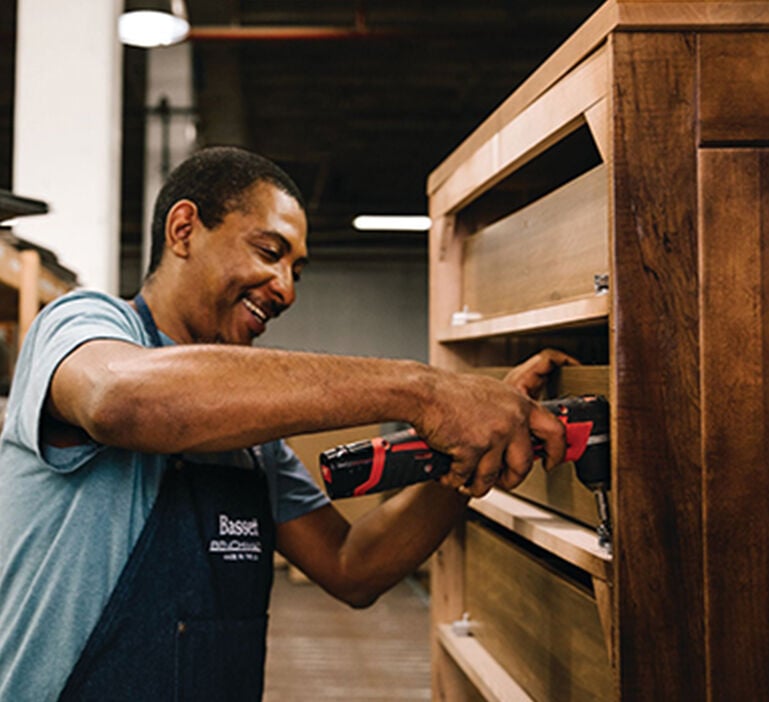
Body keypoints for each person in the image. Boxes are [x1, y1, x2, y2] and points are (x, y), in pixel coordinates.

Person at [0, 146, 575, 701]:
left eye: (296, 269)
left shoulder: (253, 447)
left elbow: (353, 567)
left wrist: (470, 453)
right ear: (183, 230)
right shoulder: (81, 324)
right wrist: (424, 391)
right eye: (268, 251)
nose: (287, 289)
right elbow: (121, 402)